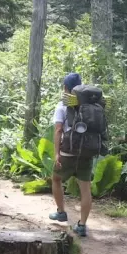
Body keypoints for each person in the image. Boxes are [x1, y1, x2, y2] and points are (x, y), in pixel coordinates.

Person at [49, 72, 94, 237]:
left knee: (56, 178)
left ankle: (61, 212)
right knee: (85, 189)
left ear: (65, 88)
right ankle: (82, 225)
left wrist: (56, 153)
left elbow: (58, 130)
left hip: (68, 151)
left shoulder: (62, 105)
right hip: (86, 152)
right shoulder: (89, 105)